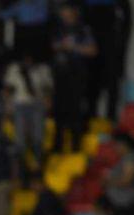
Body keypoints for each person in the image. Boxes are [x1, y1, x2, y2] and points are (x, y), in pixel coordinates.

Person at [50, 4, 96, 152]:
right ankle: (58, 146)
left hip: (77, 72)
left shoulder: (83, 29)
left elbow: (92, 50)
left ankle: (76, 146)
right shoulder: (59, 29)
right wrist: (60, 46)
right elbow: (53, 46)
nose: (65, 16)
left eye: (67, 13)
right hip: (60, 73)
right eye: (62, 13)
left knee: (75, 110)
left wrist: (73, 47)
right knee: (59, 111)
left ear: (74, 13)